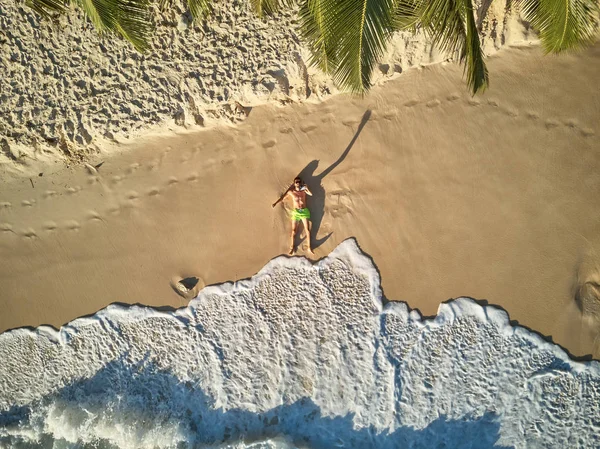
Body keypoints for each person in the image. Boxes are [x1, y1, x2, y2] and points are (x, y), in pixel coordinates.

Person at [272, 176, 314, 255]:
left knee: (307, 229)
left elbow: (311, 194)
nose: (297, 183)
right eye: (296, 182)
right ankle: (292, 247)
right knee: (294, 230)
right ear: (294, 184)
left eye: (299, 181)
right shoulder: (291, 192)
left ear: (300, 183)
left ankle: (309, 247)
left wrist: (306, 188)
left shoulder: (304, 191)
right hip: (296, 212)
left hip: (304, 211)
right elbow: (283, 198)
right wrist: (275, 203)